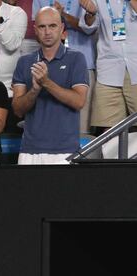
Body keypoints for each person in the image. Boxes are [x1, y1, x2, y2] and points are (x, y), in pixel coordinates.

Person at [12, 7, 89, 165]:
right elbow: (18, 109)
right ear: (35, 30)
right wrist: (34, 90)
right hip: (29, 151)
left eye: (52, 26)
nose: (47, 32)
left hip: (65, 152)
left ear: (61, 28)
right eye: (42, 26)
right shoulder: (24, 62)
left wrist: (46, 83)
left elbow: (79, 101)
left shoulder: (76, 59)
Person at [33, 0, 97, 135]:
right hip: (48, 63)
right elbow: (38, 32)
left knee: (81, 128)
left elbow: (90, 28)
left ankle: (78, 156)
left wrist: (63, 16)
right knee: (49, 125)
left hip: (83, 62)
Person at [79, 0, 137, 132]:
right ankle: (114, 153)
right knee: (109, 130)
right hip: (108, 71)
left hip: (135, 69)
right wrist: (90, 13)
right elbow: (88, 27)